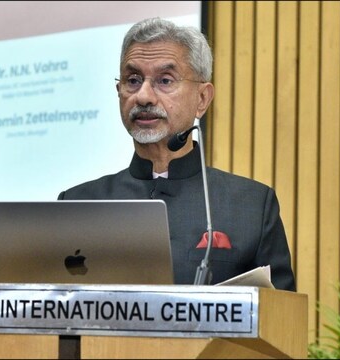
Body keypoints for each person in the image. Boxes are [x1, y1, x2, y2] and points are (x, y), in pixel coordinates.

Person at [58, 18, 296, 291]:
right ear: (119, 92)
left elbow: (283, 322)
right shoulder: (77, 203)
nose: (143, 96)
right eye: (133, 80)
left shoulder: (252, 205)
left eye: (165, 80)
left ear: (202, 99)